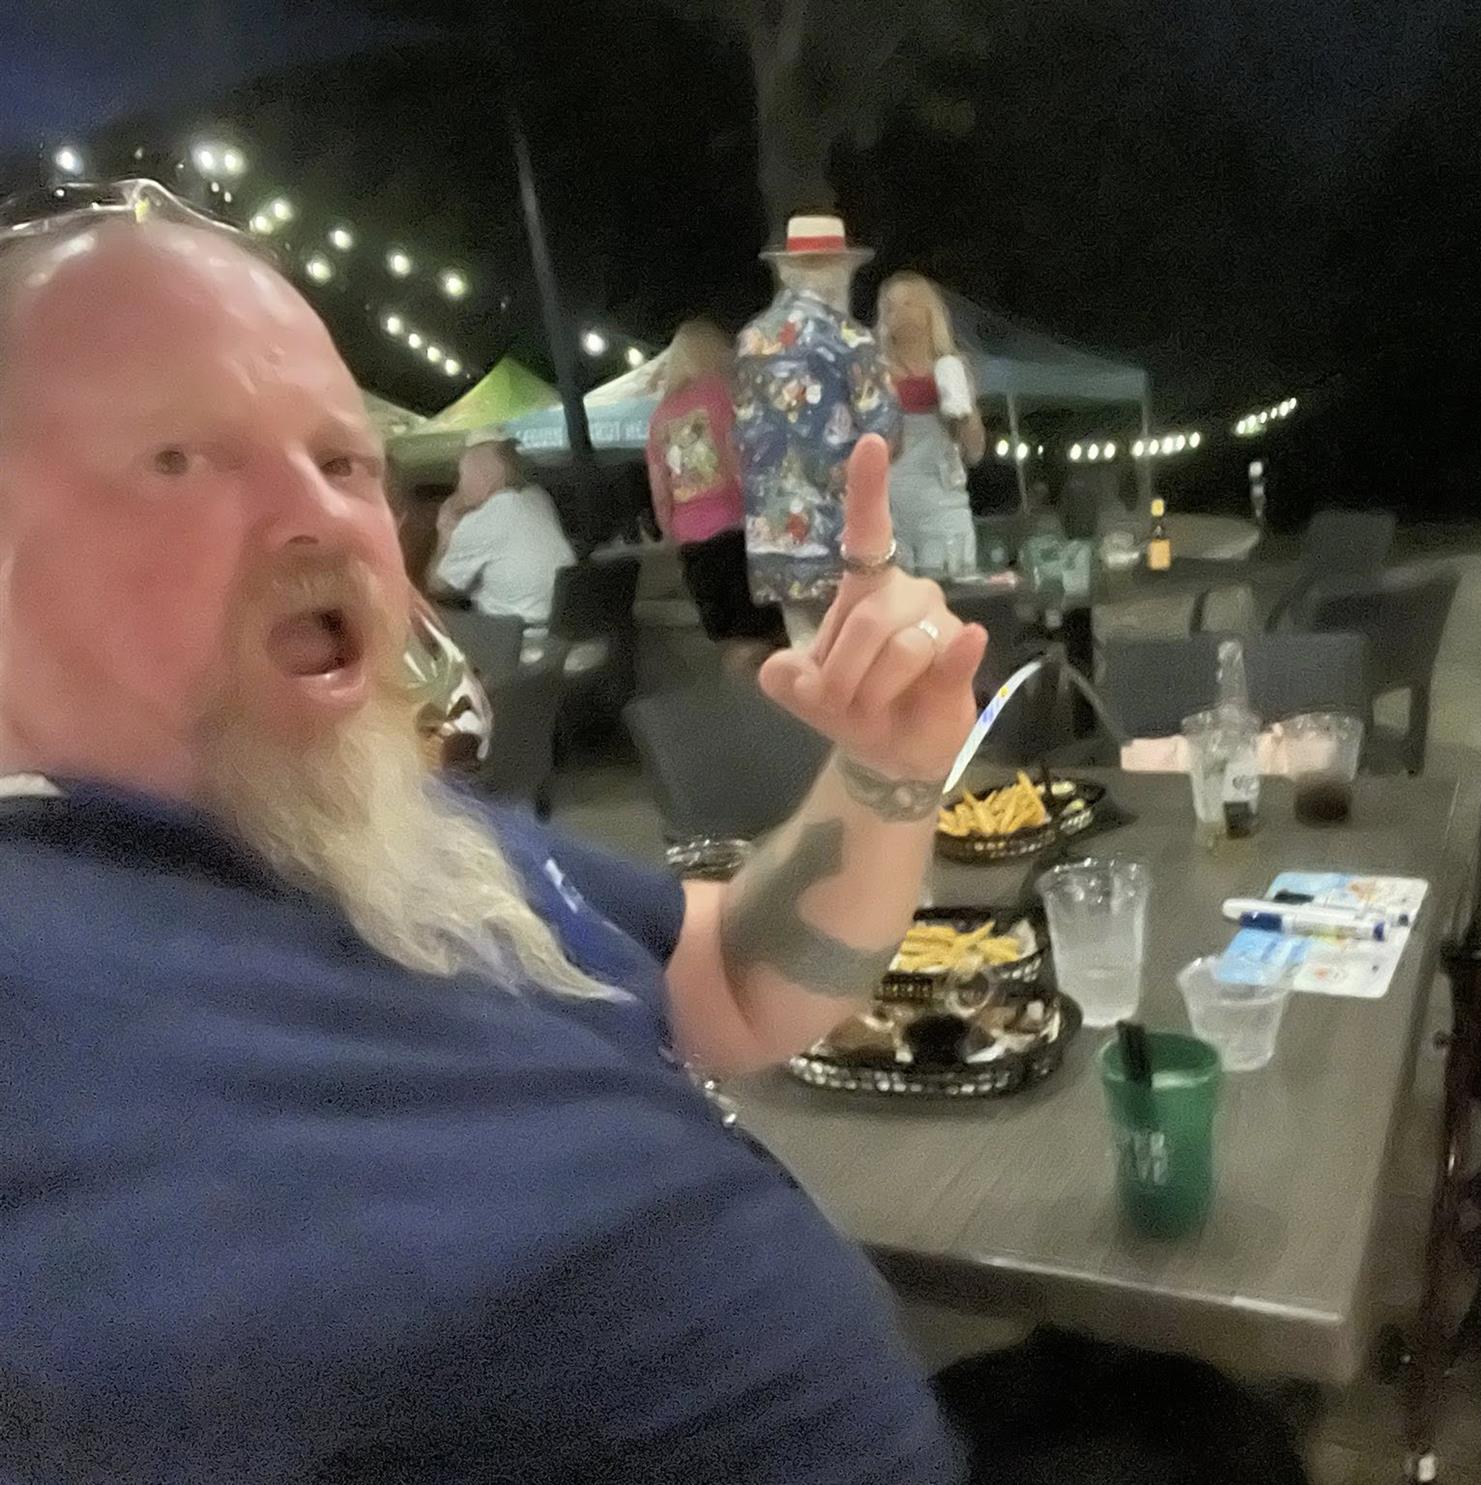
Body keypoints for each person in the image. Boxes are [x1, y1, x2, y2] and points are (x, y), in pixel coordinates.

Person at [0, 179, 991, 1481]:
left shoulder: (393, 833)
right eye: (179, 457)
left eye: (344, 461)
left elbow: (733, 978)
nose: (323, 517)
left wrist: (886, 773)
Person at [734, 212, 901, 617]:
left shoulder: (750, 339)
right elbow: (883, 436)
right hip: (838, 532)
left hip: (771, 533)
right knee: (851, 640)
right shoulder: (851, 338)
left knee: (802, 641)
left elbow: (741, 432)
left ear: (787, 272)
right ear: (840, 271)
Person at [644, 316, 786, 663]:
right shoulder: (724, 393)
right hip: (737, 528)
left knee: (727, 635)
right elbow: (741, 461)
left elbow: (660, 486)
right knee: (767, 630)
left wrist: (670, 533)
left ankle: (741, 691)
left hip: (692, 541)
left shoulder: (661, 415)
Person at [877, 271, 986, 574]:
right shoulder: (875, 371)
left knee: (947, 589)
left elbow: (975, 452)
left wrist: (962, 410)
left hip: (942, 505)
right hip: (891, 507)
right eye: (890, 307)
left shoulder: (952, 367)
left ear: (930, 311)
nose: (900, 313)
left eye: (909, 303)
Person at [428, 430, 575, 629]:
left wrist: (444, 533)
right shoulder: (538, 497)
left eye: (462, 476)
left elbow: (437, 586)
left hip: (511, 635)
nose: (460, 485)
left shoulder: (488, 516)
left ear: (482, 476)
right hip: (556, 627)